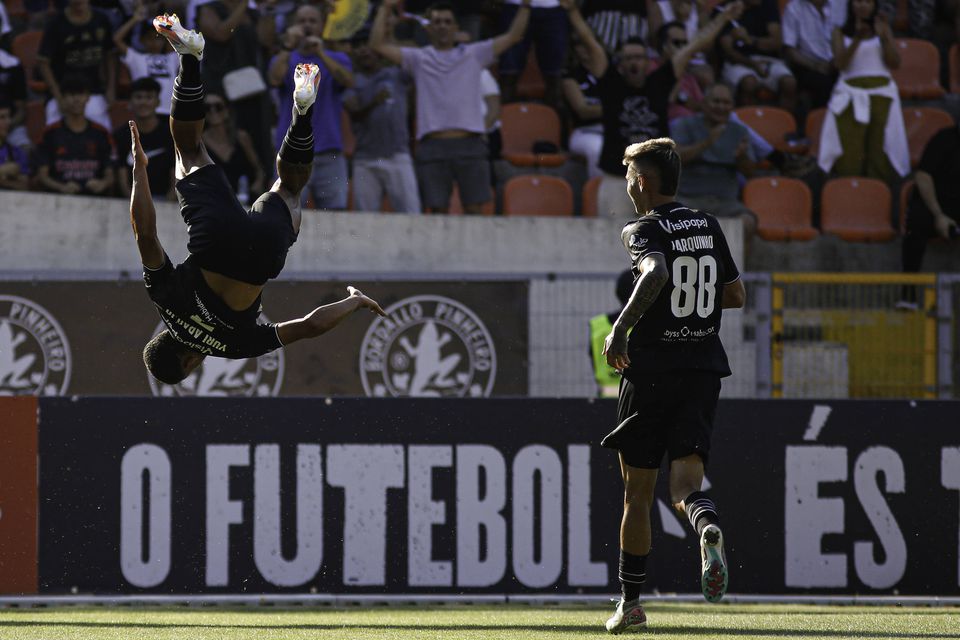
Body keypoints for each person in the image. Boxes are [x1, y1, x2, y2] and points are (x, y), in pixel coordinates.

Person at [137, 14, 385, 385]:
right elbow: (145, 234)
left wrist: (354, 301)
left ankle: (301, 113)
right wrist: (139, 170)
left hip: (260, 258)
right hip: (216, 240)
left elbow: (309, 326)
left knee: (289, 190)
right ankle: (189, 58)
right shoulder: (164, 301)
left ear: (189, 364)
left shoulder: (234, 348)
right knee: (188, 149)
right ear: (162, 338)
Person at [599, 137, 745, 633]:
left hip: (652, 374)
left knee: (637, 494)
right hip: (703, 371)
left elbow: (657, 272)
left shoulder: (641, 229)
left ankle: (632, 604)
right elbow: (735, 294)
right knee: (686, 488)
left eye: (628, 175)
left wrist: (622, 326)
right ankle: (706, 527)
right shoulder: (707, 224)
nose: (627, 184)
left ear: (641, 181)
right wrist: (691, 306)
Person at [567, 0, 744, 217]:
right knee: (613, 244)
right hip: (616, 179)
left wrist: (722, 19)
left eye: (639, 57)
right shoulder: (610, 82)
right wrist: (573, 12)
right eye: (629, 58)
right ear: (620, 63)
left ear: (647, 61)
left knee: (657, 247)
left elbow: (695, 44)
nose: (635, 62)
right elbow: (589, 41)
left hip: (657, 183)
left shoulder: (660, 82)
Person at [370, 0, 532, 214]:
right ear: (428, 29)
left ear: (457, 28)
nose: (443, 26)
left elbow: (514, 36)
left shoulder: (474, 53)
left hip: (470, 143)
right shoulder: (418, 58)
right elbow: (377, 45)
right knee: (437, 212)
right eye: (437, 22)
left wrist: (526, 6)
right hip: (432, 144)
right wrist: (384, 8)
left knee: (475, 211)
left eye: (447, 22)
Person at [268, 3, 354, 210]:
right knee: (285, 211)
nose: (307, 26)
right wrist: (288, 46)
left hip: (329, 150)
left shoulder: (338, 59)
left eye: (312, 21)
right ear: (293, 25)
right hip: (291, 153)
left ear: (322, 25)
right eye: (302, 21)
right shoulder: (285, 58)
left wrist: (321, 53)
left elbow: (349, 81)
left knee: (335, 214)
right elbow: (274, 79)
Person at [817, 0, 908, 183]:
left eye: (867, 1)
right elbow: (840, 64)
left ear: (874, 5)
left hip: (881, 94)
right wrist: (857, 39)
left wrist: (884, 37)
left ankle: (878, 193)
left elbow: (895, 63)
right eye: (858, 1)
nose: (862, 5)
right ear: (851, 5)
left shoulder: (883, 29)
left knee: (880, 149)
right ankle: (850, 190)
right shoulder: (839, 31)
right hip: (850, 95)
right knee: (850, 150)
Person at [343, 34, 421, 213]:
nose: (363, 50)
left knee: (412, 215)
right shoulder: (351, 82)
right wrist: (374, 102)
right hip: (366, 159)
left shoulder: (397, 74)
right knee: (364, 222)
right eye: (358, 47)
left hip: (398, 155)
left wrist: (384, 43)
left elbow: (417, 52)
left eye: (367, 45)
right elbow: (354, 114)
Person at [671, 83, 758, 235]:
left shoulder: (739, 131)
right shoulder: (685, 124)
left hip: (725, 202)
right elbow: (676, 158)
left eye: (726, 103)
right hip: (689, 200)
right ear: (704, 104)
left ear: (732, 106)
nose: (721, 107)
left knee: (748, 223)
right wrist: (708, 142)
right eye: (716, 101)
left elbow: (750, 173)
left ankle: (737, 260)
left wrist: (741, 157)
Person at [900, 123, 960, 302]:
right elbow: (922, 176)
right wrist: (939, 215)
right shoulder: (944, 138)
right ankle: (908, 294)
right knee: (917, 221)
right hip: (934, 206)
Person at [36, 0, 115, 131]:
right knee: (55, 133)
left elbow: (110, 55)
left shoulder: (101, 19)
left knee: (102, 133)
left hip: (93, 91)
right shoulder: (56, 23)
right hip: (62, 92)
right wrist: (58, 96)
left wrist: (111, 89)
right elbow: (43, 62)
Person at [36, 75, 116, 197]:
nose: (76, 99)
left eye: (81, 94)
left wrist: (102, 184)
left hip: (96, 201)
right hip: (58, 200)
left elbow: (110, 174)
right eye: (71, 95)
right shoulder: (50, 134)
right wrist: (62, 187)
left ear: (88, 97)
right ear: (62, 98)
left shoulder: (101, 134)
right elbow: (42, 175)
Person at [716, 0, 797, 110]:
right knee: (749, 83)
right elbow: (728, 52)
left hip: (768, 60)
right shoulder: (724, 9)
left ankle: (784, 123)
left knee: (789, 83)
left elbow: (777, 43)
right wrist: (753, 64)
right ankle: (747, 123)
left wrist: (750, 40)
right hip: (739, 62)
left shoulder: (768, 5)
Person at [498, 0, 568, 109]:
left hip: (553, 8)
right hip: (516, 6)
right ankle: (504, 121)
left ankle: (555, 122)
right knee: (509, 71)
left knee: (554, 74)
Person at [114, 77, 176, 199]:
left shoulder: (170, 134)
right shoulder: (121, 135)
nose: (143, 102)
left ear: (157, 102)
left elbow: (176, 176)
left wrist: (167, 205)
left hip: (165, 200)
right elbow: (122, 181)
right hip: (131, 201)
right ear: (130, 102)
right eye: (138, 97)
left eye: (148, 97)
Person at [114, 4, 180, 115]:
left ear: (165, 41)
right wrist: (135, 19)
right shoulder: (136, 57)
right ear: (141, 40)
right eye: (149, 38)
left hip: (169, 112)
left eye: (158, 38)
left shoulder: (172, 58)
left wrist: (169, 24)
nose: (154, 42)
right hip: (142, 111)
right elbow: (117, 39)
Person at [201, 91, 265, 203]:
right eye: (207, 108)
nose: (212, 111)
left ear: (227, 111)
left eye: (218, 107)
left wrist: (257, 185)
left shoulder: (241, 137)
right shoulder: (200, 141)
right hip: (214, 203)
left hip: (244, 200)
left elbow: (258, 169)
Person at [782, 0, 837, 110]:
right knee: (823, 83)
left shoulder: (838, 6)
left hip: (837, 62)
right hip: (807, 64)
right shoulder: (793, 8)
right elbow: (790, 51)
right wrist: (815, 66)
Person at [588, 269, 633, 398]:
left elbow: (594, 361)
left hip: (604, 401)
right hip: (635, 403)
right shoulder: (646, 326)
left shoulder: (597, 325)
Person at [0, 99, 29, 191]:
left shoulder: (17, 153)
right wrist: (3, 170)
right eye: (2, 117)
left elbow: (25, 186)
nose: (8, 122)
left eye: (9, 117)